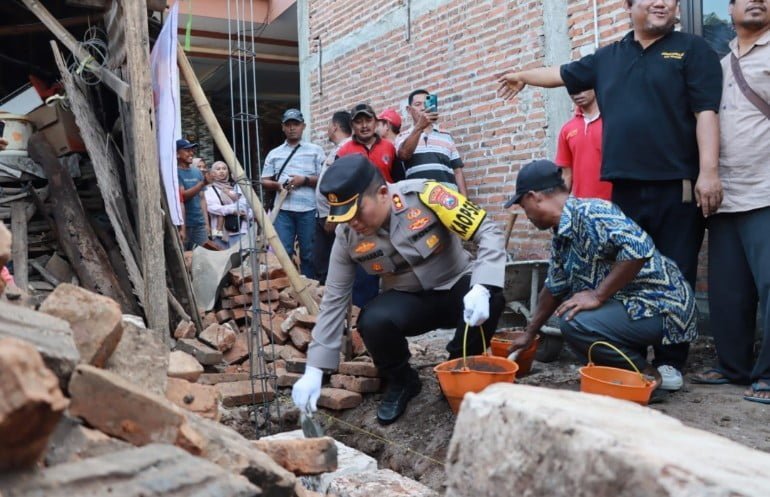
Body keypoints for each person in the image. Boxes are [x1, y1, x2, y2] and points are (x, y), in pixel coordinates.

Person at [497, 0, 723, 390]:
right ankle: (634, 354)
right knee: (625, 273)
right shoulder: (608, 58)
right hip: (626, 188)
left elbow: (706, 112)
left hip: (677, 185)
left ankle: (671, 362)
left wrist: (709, 172)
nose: (663, 3)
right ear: (630, 6)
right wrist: (522, 75)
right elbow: (560, 74)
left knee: (676, 272)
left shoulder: (691, 49)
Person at [292, 155, 506, 424]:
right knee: (372, 321)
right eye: (345, 217)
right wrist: (314, 369)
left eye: (357, 212)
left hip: (456, 287)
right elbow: (335, 300)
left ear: (383, 193)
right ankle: (402, 381)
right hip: (409, 301)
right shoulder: (347, 236)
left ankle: (456, 369)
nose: (353, 223)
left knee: (494, 295)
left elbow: (488, 231)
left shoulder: (428, 195)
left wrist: (483, 286)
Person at [505, 160, 697, 387]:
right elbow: (554, 287)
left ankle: (644, 380)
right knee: (571, 313)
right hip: (632, 306)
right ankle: (625, 375)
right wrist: (530, 333)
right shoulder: (562, 235)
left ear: (533, 197)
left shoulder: (592, 212)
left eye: (522, 205)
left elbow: (639, 249)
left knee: (575, 321)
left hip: (664, 306)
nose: (525, 214)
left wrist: (598, 295)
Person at [691, 0, 770, 405]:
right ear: (731, 7)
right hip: (724, 194)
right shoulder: (720, 65)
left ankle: (769, 375)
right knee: (728, 291)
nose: (756, 1)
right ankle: (732, 366)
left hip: (766, 191)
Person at [261, 109, 325, 279]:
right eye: (288, 125)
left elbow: (324, 180)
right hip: (283, 210)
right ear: (283, 127)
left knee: (309, 254)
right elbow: (264, 181)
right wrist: (278, 185)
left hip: (309, 209)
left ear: (303, 126)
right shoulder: (274, 153)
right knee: (283, 252)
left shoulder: (315, 150)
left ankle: (311, 288)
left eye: (295, 124)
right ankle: (286, 289)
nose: (292, 128)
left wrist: (303, 180)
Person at [396, 89, 468, 196]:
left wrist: (465, 200)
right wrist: (419, 127)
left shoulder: (446, 136)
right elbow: (404, 155)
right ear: (409, 110)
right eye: (418, 104)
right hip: (419, 201)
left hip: (449, 201)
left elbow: (457, 171)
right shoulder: (402, 137)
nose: (423, 108)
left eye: (426, 103)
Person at [315, 111, 352, 284]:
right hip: (326, 217)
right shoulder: (338, 149)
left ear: (335, 126)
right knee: (324, 261)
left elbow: (342, 184)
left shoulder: (346, 148)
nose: (327, 128)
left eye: (329, 124)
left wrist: (333, 214)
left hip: (333, 218)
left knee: (333, 264)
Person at [554, 89, 612, 200]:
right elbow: (566, 175)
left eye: (582, 87)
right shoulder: (567, 130)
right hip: (583, 208)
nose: (577, 93)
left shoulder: (613, 121)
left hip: (616, 206)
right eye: (572, 88)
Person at [336, 103, 396, 182]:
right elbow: (338, 182)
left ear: (375, 122)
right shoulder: (343, 152)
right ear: (352, 125)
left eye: (368, 120)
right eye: (358, 122)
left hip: (386, 193)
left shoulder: (389, 147)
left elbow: (399, 180)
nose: (364, 125)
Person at [204, 161, 252, 249]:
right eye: (218, 169)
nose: (222, 171)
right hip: (219, 232)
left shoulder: (237, 187)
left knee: (241, 258)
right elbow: (211, 207)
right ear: (213, 173)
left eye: (224, 169)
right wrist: (232, 210)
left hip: (240, 229)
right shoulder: (208, 190)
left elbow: (247, 205)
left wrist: (247, 215)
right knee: (222, 260)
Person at [177, 139, 211, 249]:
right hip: (184, 225)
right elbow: (182, 197)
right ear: (177, 153)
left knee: (203, 258)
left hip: (199, 224)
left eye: (192, 150)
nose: (191, 153)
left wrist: (206, 223)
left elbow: (202, 199)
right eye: (187, 150)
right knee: (186, 259)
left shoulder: (197, 172)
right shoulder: (175, 173)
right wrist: (202, 184)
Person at [376, 108, 407, 181]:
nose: (375, 128)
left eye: (378, 124)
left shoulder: (399, 146)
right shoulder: (404, 143)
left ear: (387, 125)